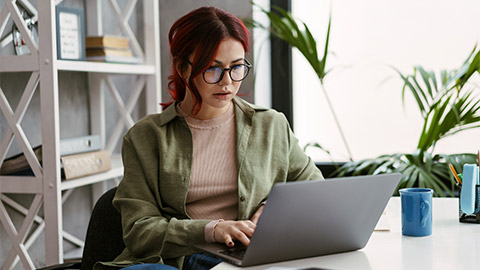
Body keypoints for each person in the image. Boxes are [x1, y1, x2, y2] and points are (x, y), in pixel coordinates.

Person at [96, 6, 323, 270]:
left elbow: (314, 191)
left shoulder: (271, 125)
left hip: (248, 257)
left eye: (237, 68)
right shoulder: (145, 137)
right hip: (174, 261)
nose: (227, 82)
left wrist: (271, 207)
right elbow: (139, 231)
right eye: (212, 69)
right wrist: (211, 230)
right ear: (182, 68)